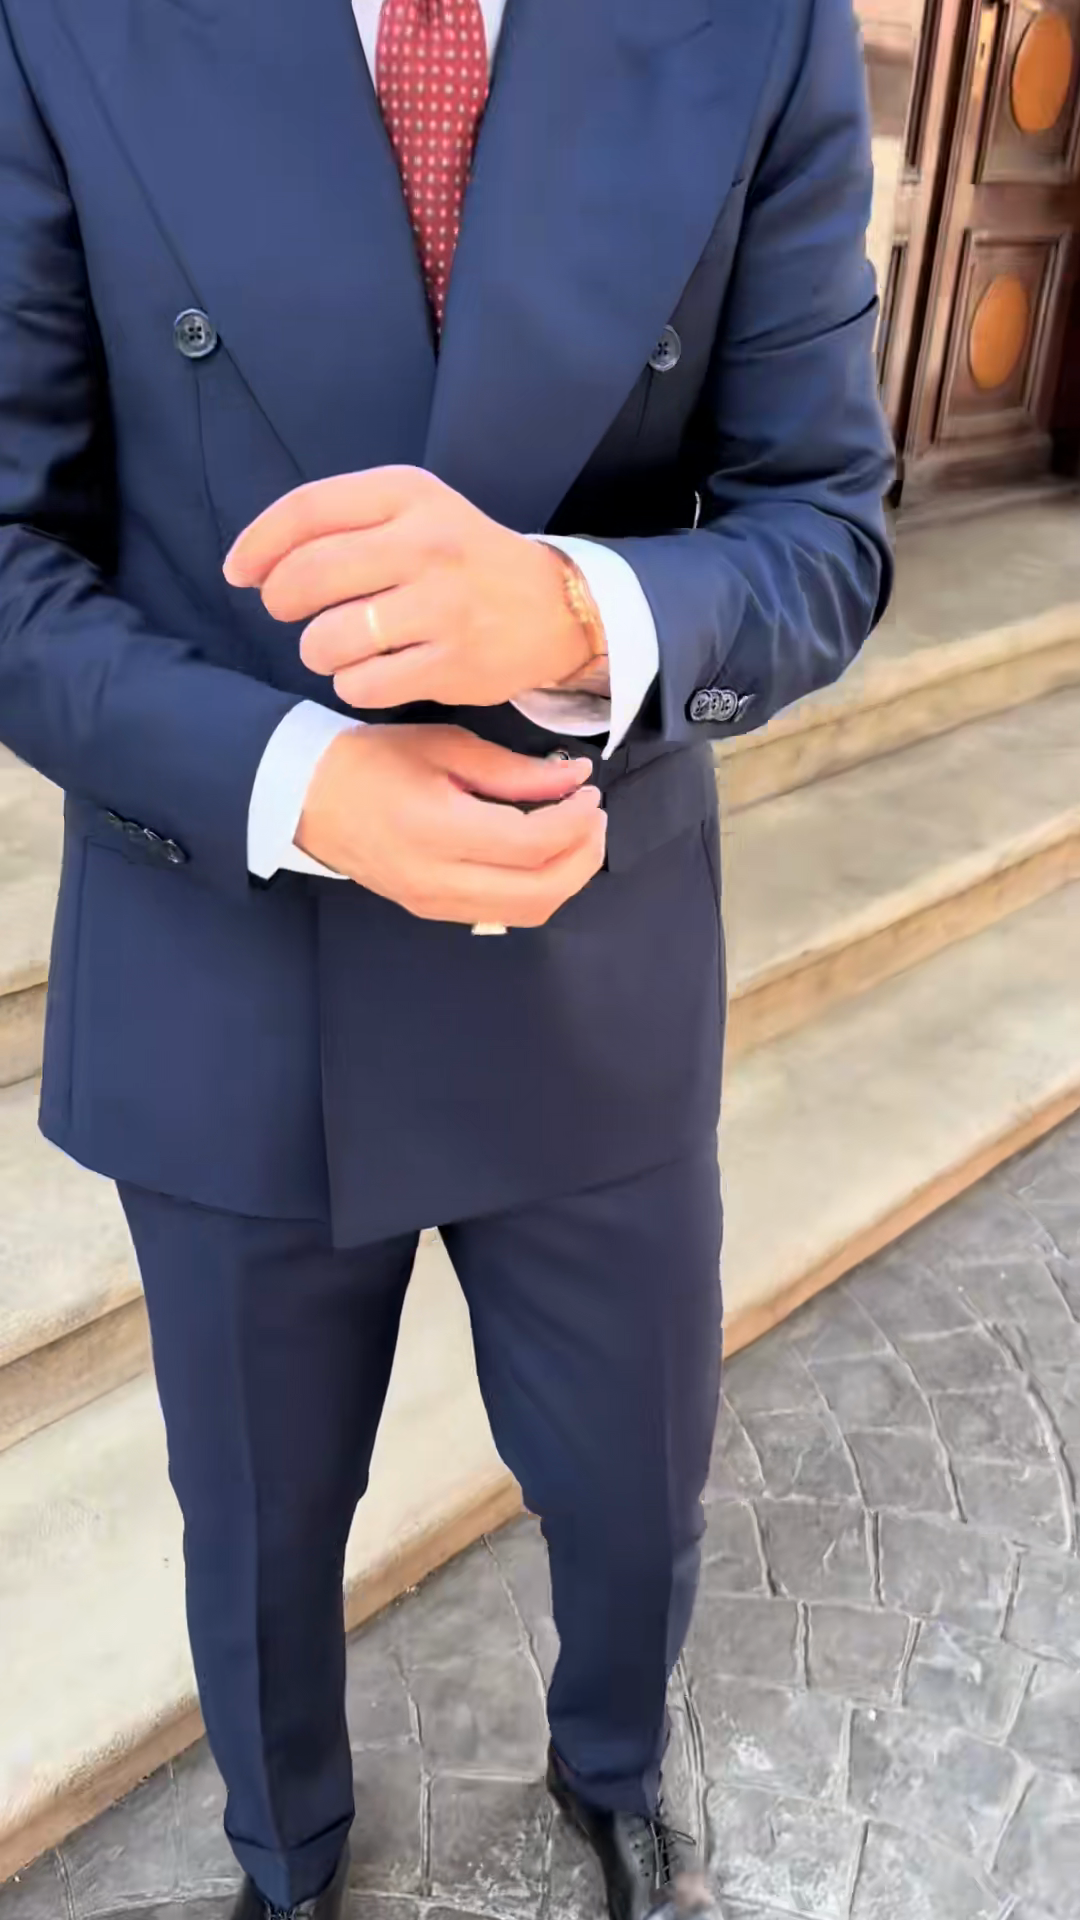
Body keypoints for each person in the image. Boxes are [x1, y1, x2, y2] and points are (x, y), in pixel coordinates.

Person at [0, 0, 893, 1916]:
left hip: (582, 939)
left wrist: (578, 608)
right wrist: (301, 780)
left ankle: (614, 1772)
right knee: (255, 1521)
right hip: (232, 956)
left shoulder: (758, 24)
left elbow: (827, 525)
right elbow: (11, 555)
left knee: (633, 1480)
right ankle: (286, 1853)